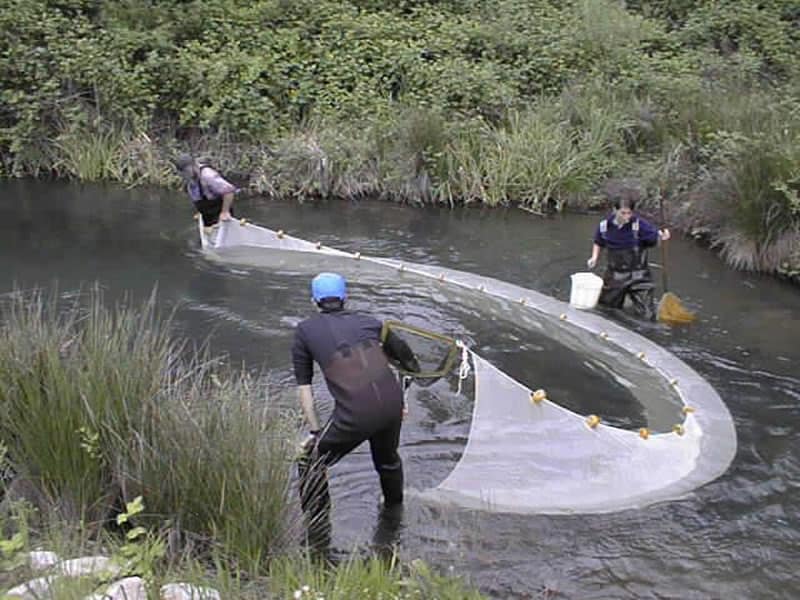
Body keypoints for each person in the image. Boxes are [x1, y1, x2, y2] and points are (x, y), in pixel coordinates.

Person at [292, 272, 419, 551]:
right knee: (388, 462)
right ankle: (393, 522)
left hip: (355, 414)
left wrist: (315, 432)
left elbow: (305, 390)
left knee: (310, 463)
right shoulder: (371, 322)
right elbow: (410, 362)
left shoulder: (304, 331)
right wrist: (403, 400)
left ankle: (318, 535)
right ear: (345, 298)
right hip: (391, 405)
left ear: (314, 301)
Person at [586, 197, 670, 321]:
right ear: (615, 210)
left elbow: (655, 236)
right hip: (615, 276)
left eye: (629, 213)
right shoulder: (604, 226)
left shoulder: (639, 225)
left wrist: (662, 237)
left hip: (639, 276)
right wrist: (594, 257)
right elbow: (598, 242)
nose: (627, 217)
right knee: (607, 310)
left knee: (648, 316)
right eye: (623, 213)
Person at [174, 154, 237, 226]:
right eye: (182, 173)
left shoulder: (208, 176)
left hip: (220, 215)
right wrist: (200, 213)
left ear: (194, 165)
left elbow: (229, 191)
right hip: (208, 216)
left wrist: (225, 212)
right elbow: (198, 196)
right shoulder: (190, 177)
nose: (185, 175)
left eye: (186, 171)